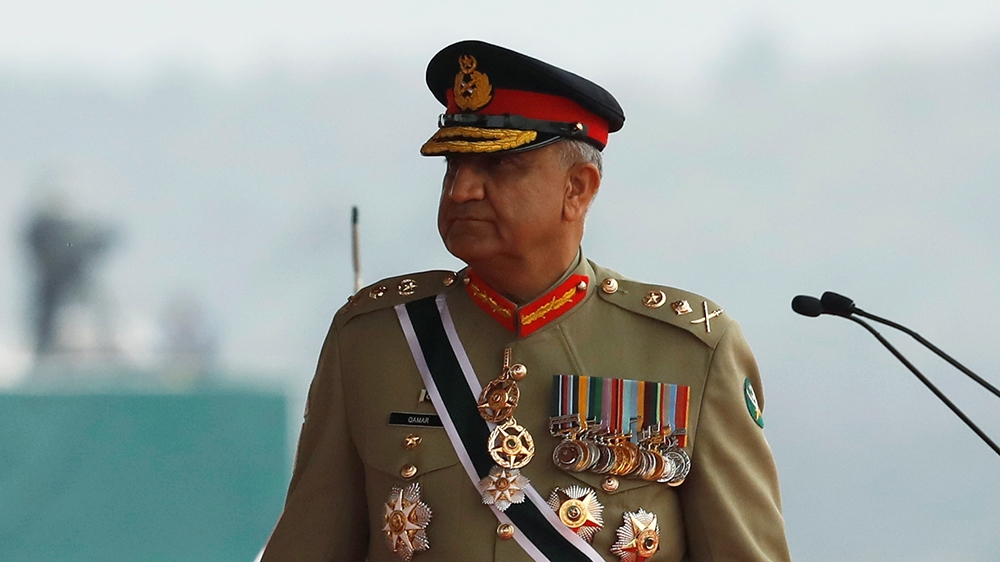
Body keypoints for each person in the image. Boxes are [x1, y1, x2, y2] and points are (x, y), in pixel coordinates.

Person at [262, 40, 790, 562]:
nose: (462, 190)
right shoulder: (375, 339)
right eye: (453, 166)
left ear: (577, 188)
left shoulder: (691, 352)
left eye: (497, 167)